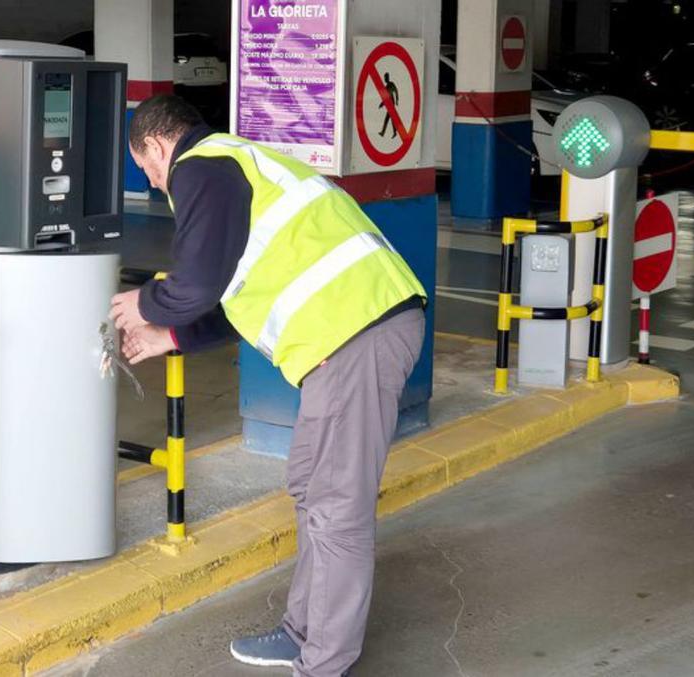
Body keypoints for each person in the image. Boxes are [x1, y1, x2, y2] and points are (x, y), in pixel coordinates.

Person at [109, 94, 427, 677]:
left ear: (156, 144)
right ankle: (303, 632)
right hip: (349, 334)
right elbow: (236, 294)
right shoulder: (236, 166)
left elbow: (196, 284)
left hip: (355, 334)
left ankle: (324, 661)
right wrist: (169, 337)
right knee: (311, 485)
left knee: (336, 506)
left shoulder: (200, 167)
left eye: (146, 168)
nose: (153, 183)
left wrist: (144, 304)